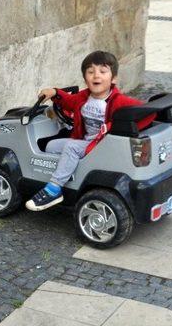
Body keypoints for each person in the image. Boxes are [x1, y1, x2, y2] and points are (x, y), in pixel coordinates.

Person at [25, 50, 153, 211]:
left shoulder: (119, 101)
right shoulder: (85, 96)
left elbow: (148, 113)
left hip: (100, 146)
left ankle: (54, 188)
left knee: (71, 148)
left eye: (103, 71)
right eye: (90, 72)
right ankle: (70, 172)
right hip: (85, 141)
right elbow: (69, 102)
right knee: (51, 146)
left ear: (113, 78)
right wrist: (55, 92)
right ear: (85, 78)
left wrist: (118, 127)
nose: (96, 75)